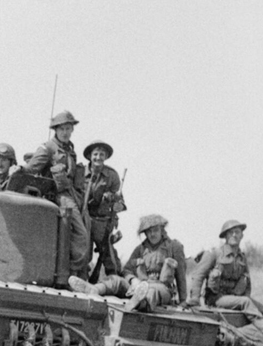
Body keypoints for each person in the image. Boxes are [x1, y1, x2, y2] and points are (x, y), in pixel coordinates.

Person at [186, 220, 263, 346]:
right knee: (246, 302)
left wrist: (244, 299)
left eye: (237, 232)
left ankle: (247, 337)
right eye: (230, 233)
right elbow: (198, 275)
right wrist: (195, 299)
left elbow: (247, 283)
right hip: (216, 298)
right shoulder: (214, 254)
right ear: (225, 236)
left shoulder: (241, 258)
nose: (234, 235)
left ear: (242, 235)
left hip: (234, 298)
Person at [70, 214, 186, 312]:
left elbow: (181, 276)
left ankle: (139, 303)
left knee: (152, 292)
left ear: (162, 230)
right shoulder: (140, 249)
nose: (152, 234)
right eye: (148, 231)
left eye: (155, 230)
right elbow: (127, 270)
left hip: (162, 288)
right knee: (115, 280)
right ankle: (94, 289)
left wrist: (183, 301)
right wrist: (133, 280)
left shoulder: (174, 247)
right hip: (138, 285)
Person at [25, 110, 90, 280]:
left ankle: (74, 273)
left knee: (82, 232)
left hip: (73, 195)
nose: (66, 132)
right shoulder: (47, 148)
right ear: (56, 129)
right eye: (62, 129)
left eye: (69, 128)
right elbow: (31, 169)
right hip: (56, 196)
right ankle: (69, 273)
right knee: (81, 233)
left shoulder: (70, 150)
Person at [82, 140, 125, 278]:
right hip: (85, 219)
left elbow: (120, 203)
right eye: (95, 154)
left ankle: (116, 280)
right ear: (89, 156)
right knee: (83, 252)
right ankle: (82, 278)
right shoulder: (81, 172)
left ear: (106, 157)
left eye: (102, 154)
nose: (98, 158)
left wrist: (112, 200)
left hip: (103, 221)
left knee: (107, 254)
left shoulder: (112, 176)